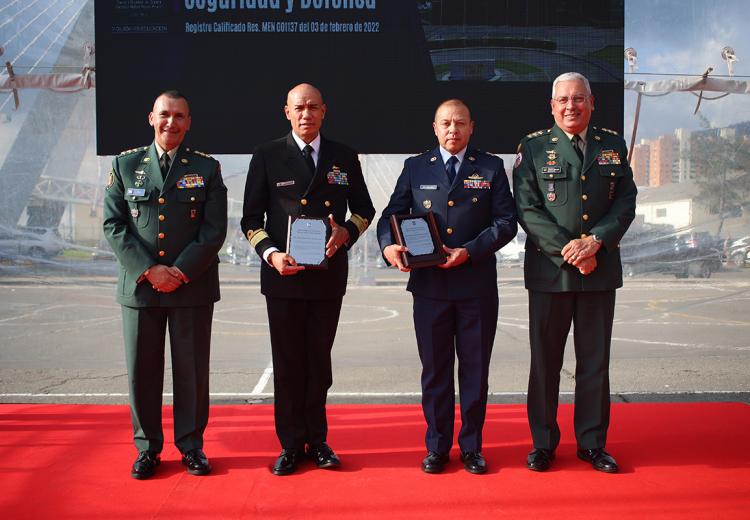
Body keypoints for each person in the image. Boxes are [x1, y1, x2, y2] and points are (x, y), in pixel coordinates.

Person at [376, 99, 517, 474]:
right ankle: (437, 446)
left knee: (475, 371)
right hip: (430, 287)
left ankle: (471, 447)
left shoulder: (490, 167)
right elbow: (391, 215)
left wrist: (469, 252)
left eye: (459, 123)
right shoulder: (414, 166)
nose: (452, 130)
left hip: (476, 287)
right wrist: (388, 244)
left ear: (472, 127)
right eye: (445, 123)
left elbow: (506, 222)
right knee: (435, 372)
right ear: (434, 128)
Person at [241, 83, 375, 476]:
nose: (306, 114)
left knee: (318, 362)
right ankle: (289, 445)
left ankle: (317, 441)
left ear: (324, 111)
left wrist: (346, 233)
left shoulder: (343, 156)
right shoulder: (267, 155)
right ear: (287, 112)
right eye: (299, 107)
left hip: (327, 276)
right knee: (287, 365)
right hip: (283, 277)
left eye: (313, 107)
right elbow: (251, 219)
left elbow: (364, 209)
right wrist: (271, 254)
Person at [512, 72, 637, 473]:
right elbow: (528, 209)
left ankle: (592, 444)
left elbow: (626, 201)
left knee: (595, 362)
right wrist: (572, 253)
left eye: (578, 99)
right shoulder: (532, 148)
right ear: (552, 106)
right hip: (551, 274)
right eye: (563, 100)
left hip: (599, 270)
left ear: (592, 102)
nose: (571, 106)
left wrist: (595, 242)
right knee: (545, 363)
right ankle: (544, 444)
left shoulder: (612, 145)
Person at [103, 90, 228, 479]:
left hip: (191, 286)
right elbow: (114, 224)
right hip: (140, 287)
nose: (171, 122)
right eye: (164, 115)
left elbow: (213, 230)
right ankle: (147, 448)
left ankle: (191, 447)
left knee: (191, 371)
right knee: (143, 371)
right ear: (151, 118)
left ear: (188, 122)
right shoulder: (125, 165)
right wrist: (149, 270)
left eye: (179, 116)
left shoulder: (206, 168)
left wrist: (179, 272)